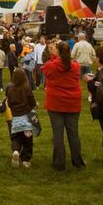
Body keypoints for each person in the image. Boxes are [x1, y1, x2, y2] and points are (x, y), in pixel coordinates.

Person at [43, 40, 84, 170]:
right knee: (73, 133)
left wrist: (54, 56)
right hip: (72, 103)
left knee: (58, 134)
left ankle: (59, 163)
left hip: (55, 103)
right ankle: (77, 161)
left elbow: (45, 69)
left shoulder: (52, 65)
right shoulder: (75, 66)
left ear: (58, 52)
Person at [4, 67, 37, 168]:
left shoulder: (10, 89)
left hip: (16, 119)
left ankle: (16, 150)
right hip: (27, 120)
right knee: (28, 140)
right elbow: (32, 102)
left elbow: (9, 103)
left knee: (16, 137)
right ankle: (26, 160)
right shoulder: (27, 88)